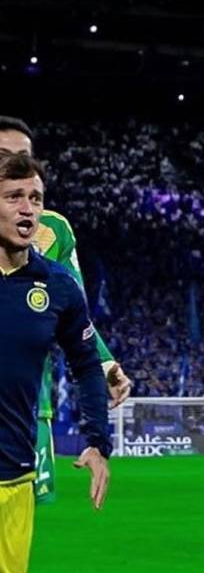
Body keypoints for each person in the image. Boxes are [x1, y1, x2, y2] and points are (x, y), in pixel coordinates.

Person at [0, 152, 112, 573]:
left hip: (12, 464)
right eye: (15, 197)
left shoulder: (58, 285)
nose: (28, 210)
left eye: (36, 199)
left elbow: (87, 364)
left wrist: (97, 441)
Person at [0, 117, 129, 502]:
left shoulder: (53, 231)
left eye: (22, 158)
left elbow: (75, 312)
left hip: (22, 411)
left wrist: (105, 365)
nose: (13, 166)